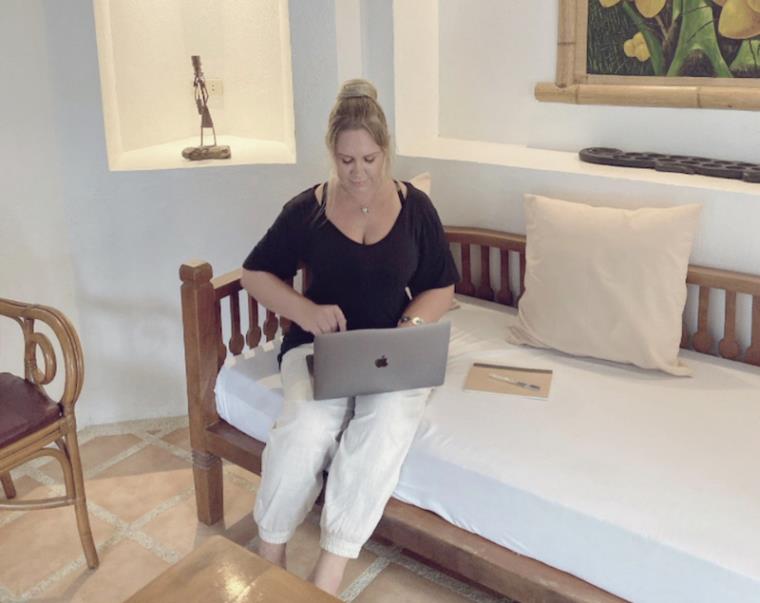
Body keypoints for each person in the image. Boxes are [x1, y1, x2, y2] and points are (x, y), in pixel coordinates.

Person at [240, 79, 459, 595]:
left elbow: (440, 284)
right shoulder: (307, 210)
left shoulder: (416, 208)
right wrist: (304, 310)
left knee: (384, 426)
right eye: (345, 161)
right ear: (331, 156)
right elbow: (255, 274)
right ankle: (270, 546)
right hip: (319, 350)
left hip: (391, 351)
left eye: (368, 159)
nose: (358, 172)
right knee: (306, 425)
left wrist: (413, 326)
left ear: (386, 152)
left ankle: (330, 567)